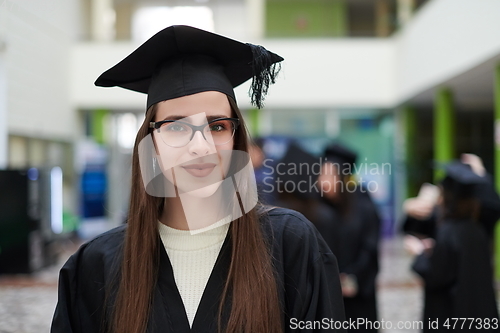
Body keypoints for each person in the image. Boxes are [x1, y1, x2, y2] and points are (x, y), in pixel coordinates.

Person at [51, 25, 346, 333]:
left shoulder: (290, 244)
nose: (200, 146)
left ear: (236, 140)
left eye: (217, 126)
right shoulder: (96, 264)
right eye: (176, 127)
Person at [405, 161, 499, 332]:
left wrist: (420, 252)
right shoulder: (477, 229)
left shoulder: (448, 232)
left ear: (447, 197)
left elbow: (436, 275)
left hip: (450, 315)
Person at [314, 143, 381, 332]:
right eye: (321, 174)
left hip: (356, 294)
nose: (323, 181)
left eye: (330, 176)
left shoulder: (363, 207)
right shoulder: (318, 208)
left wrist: (351, 277)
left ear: (343, 178)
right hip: (328, 293)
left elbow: (370, 249)